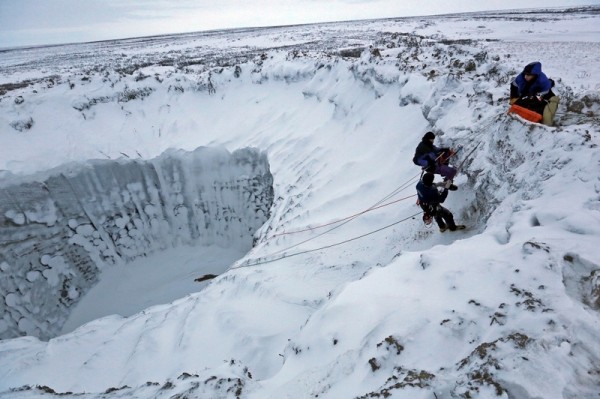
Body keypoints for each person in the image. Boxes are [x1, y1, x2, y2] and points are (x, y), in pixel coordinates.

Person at [509, 61, 559, 126]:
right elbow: (514, 86)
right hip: (527, 92)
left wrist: (528, 102)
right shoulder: (521, 77)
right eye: (525, 74)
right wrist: (514, 97)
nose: (525, 77)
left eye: (528, 75)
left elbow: (539, 98)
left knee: (546, 120)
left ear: (535, 75)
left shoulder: (543, 82)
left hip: (542, 95)